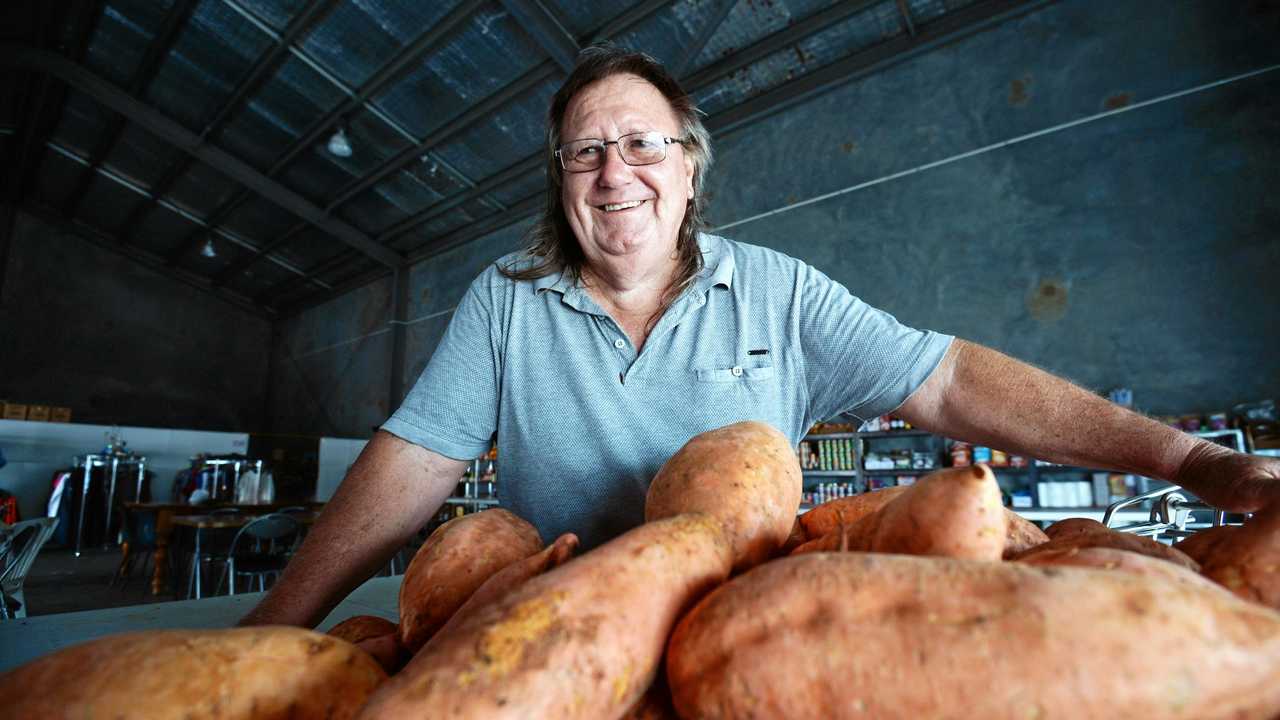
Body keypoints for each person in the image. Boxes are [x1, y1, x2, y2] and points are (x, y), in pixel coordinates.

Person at [240, 45, 1280, 630]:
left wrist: (1186, 458)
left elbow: (951, 382)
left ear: (690, 168)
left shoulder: (779, 293)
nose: (615, 170)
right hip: (552, 635)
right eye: (585, 152)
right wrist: (280, 621)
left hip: (743, 634)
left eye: (642, 142)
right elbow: (414, 460)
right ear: (561, 187)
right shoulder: (506, 300)